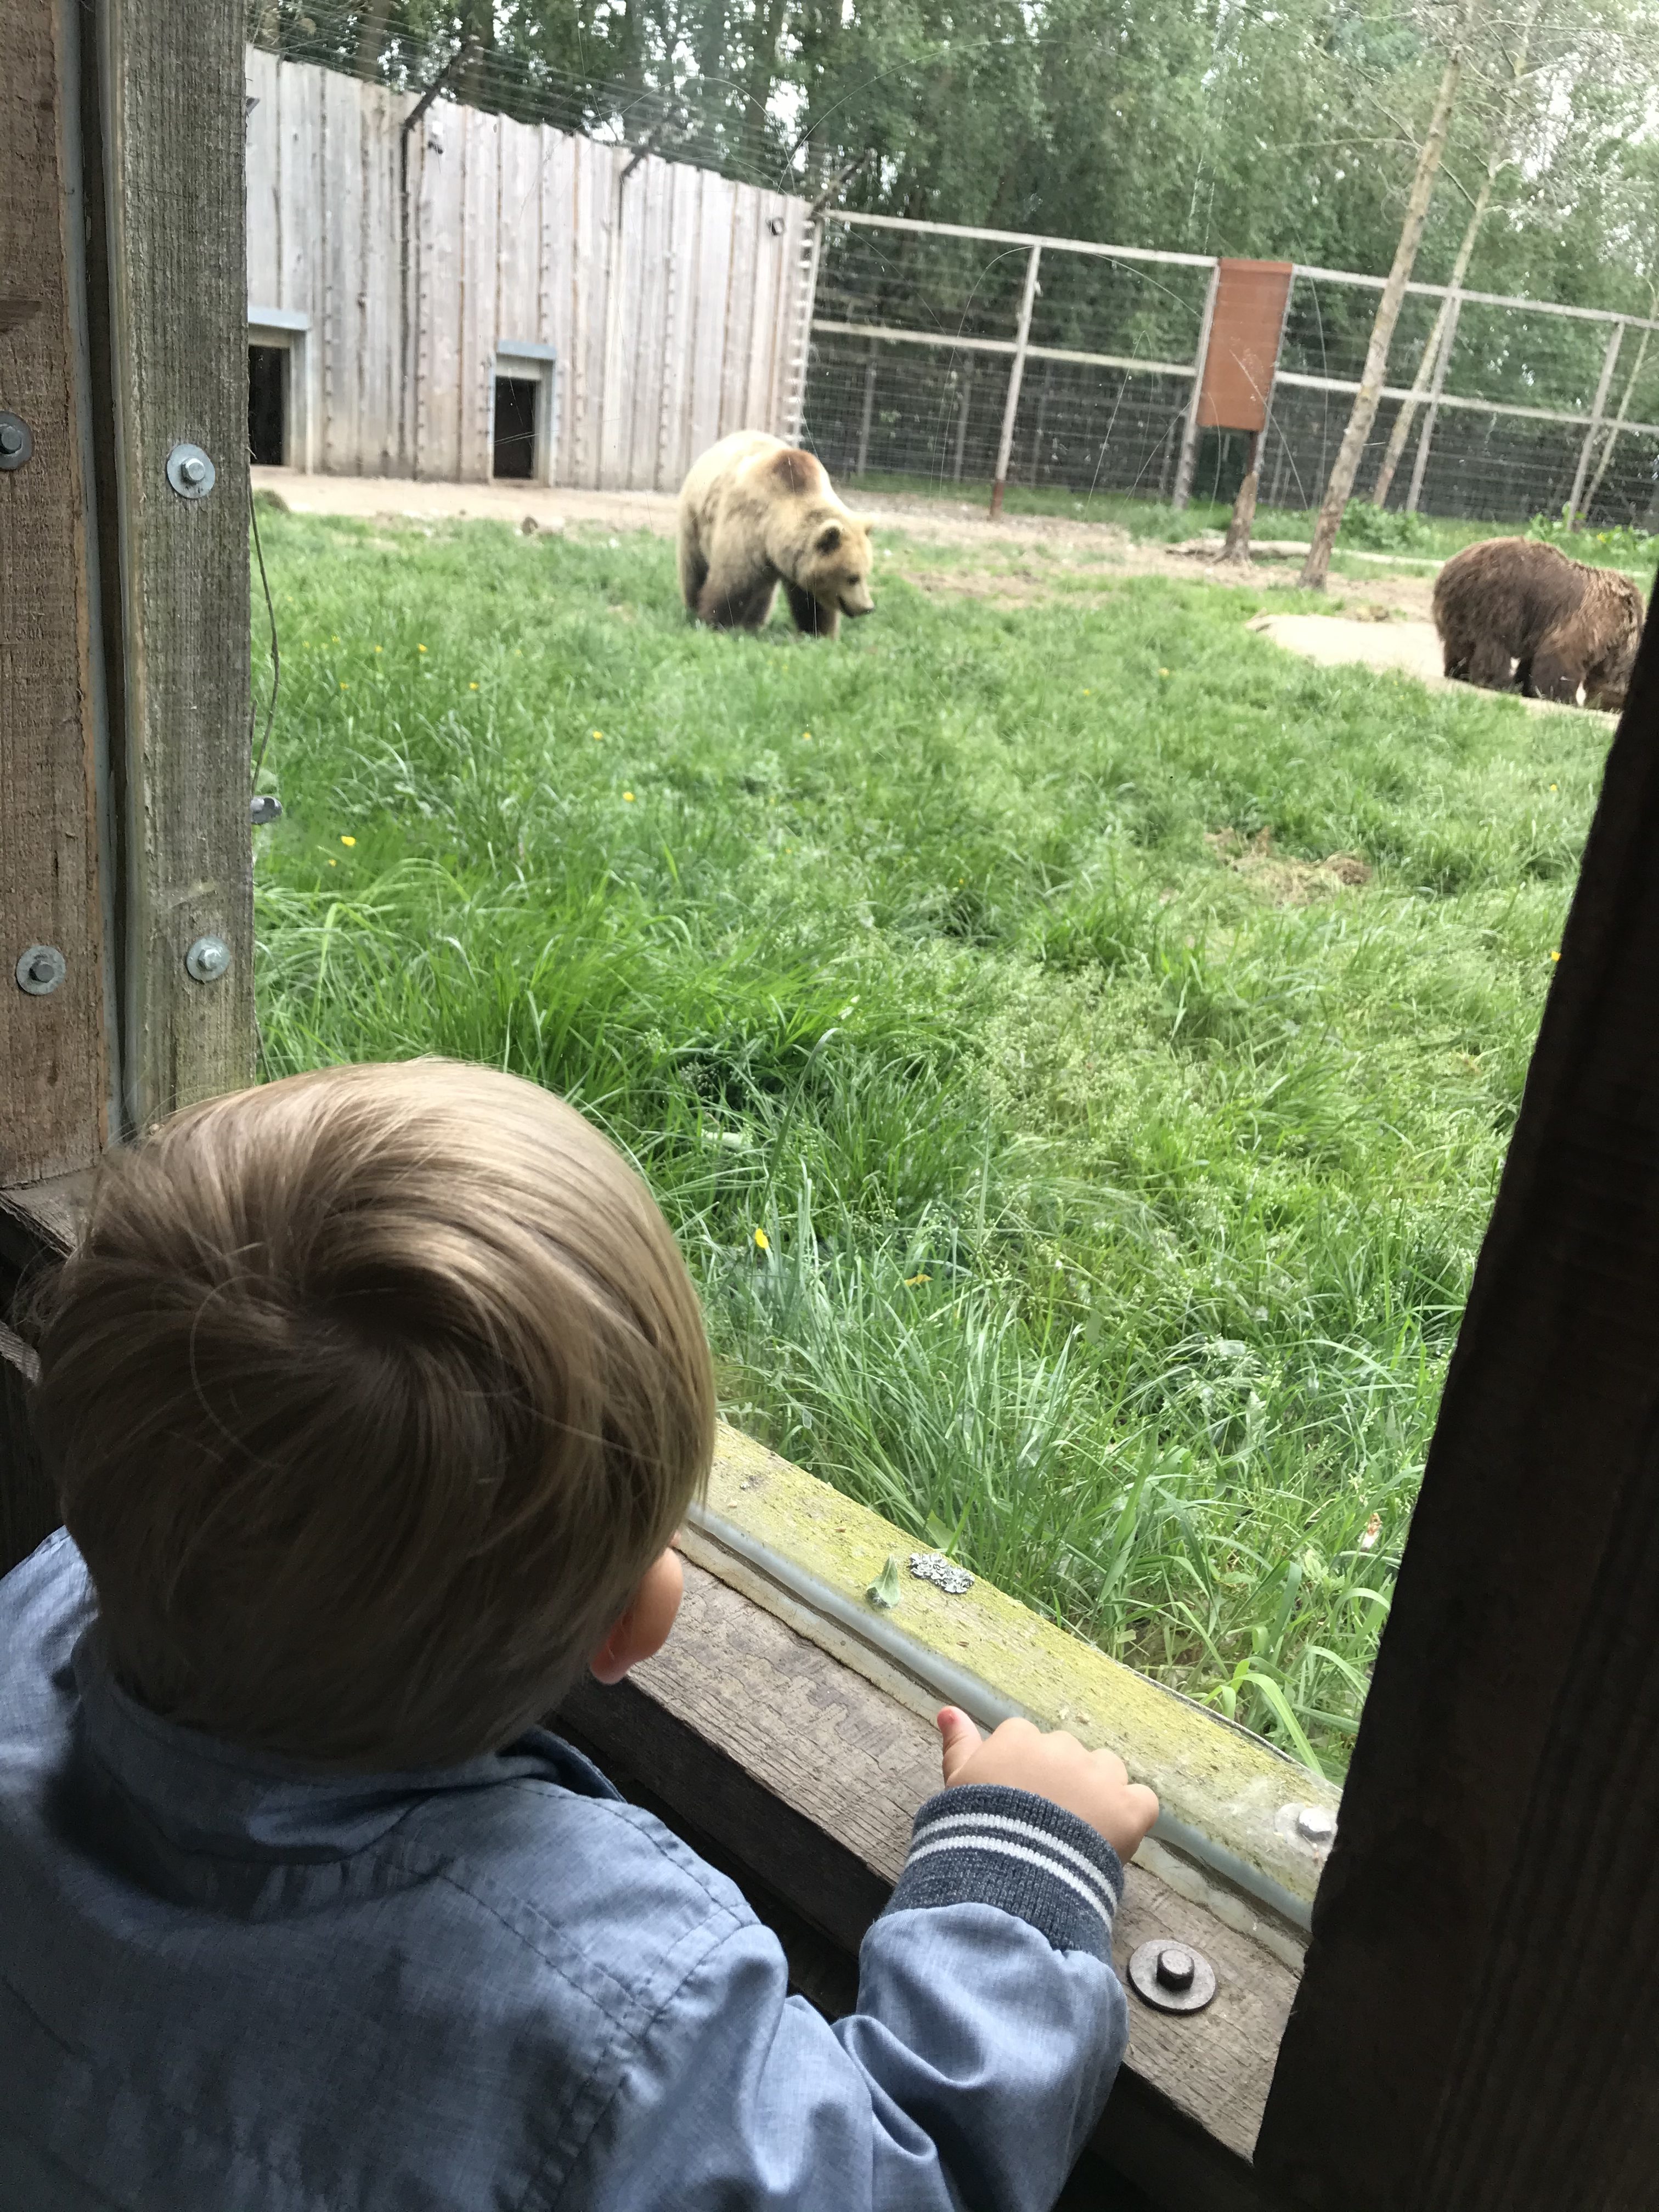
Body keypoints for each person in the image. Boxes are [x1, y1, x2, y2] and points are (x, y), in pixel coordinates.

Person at [0, 1059, 1159, 2211]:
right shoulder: (613, 2022)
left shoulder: (36, 1625)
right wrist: (1018, 1870)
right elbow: (913, 2181)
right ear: (637, 1620)